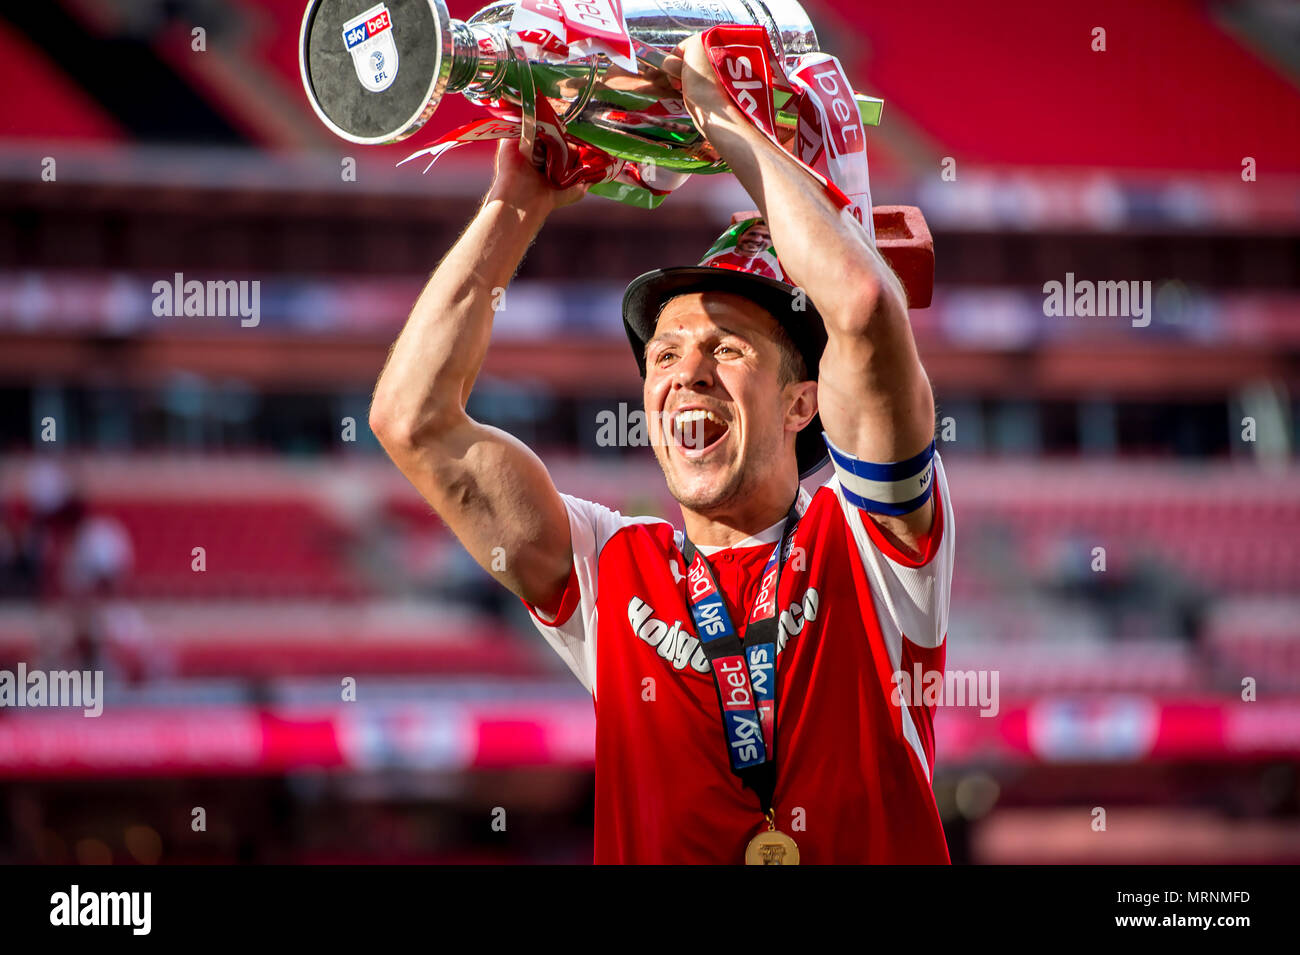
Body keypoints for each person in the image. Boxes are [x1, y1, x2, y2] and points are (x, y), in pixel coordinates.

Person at [370, 35, 954, 864]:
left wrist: (727, 118)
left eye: (728, 348)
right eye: (667, 353)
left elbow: (860, 306)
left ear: (802, 399)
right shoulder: (614, 569)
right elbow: (413, 420)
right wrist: (516, 201)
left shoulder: (869, 544)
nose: (687, 375)